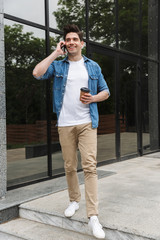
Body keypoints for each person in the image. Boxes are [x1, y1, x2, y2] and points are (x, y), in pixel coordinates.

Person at [33, 24, 110, 239]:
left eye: (76, 39)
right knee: (69, 166)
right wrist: (56, 53)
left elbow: (106, 92)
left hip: (87, 123)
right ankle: (74, 200)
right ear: (65, 43)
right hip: (65, 123)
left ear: (82, 43)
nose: (72, 42)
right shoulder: (58, 66)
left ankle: (93, 216)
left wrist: (93, 98)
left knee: (90, 166)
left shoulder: (92, 67)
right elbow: (37, 73)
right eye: (68, 40)